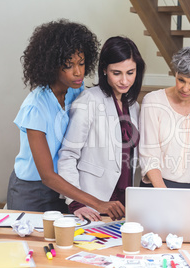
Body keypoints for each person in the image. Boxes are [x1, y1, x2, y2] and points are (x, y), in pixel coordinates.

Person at [7, 19, 104, 213]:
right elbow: (47, 176)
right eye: (68, 66)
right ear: (51, 66)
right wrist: (96, 203)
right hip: (32, 191)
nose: (78, 72)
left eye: (82, 63)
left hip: (64, 186)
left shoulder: (77, 90)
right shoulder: (35, 107)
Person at [58, 36, 145, 221]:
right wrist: (76, 202)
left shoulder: (134, 106)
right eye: (116, 73)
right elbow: (67, 155)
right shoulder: (89, 100)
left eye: (130, 72)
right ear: (104, 69)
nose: (124, 80)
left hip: (124, 201)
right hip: (91, 200)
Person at [138, 46, 190, 188]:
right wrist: (164, 194)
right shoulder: (153, 101)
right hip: (158, 186)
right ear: (175, 73)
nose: (185, 88)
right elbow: (148, 155)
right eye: (181, 80)